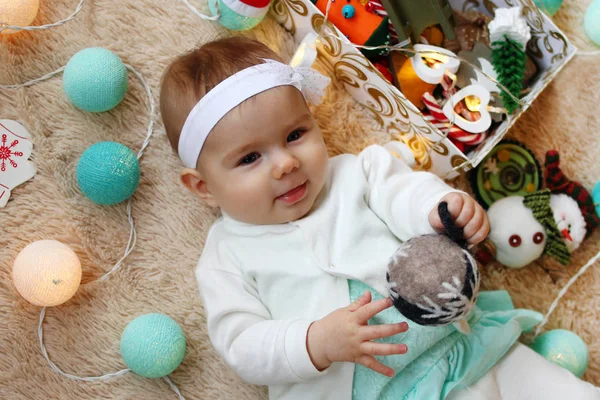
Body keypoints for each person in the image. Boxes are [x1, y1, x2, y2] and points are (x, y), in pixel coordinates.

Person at [159, 36, 600, 400]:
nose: (285, 164)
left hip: (461, 349)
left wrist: (441, 208)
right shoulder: (225, 257)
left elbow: (405, 193)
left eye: (295, 134)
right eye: (250, 158)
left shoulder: (357, 172)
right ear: (203, 186)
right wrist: (314, 342)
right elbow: (241, 343)